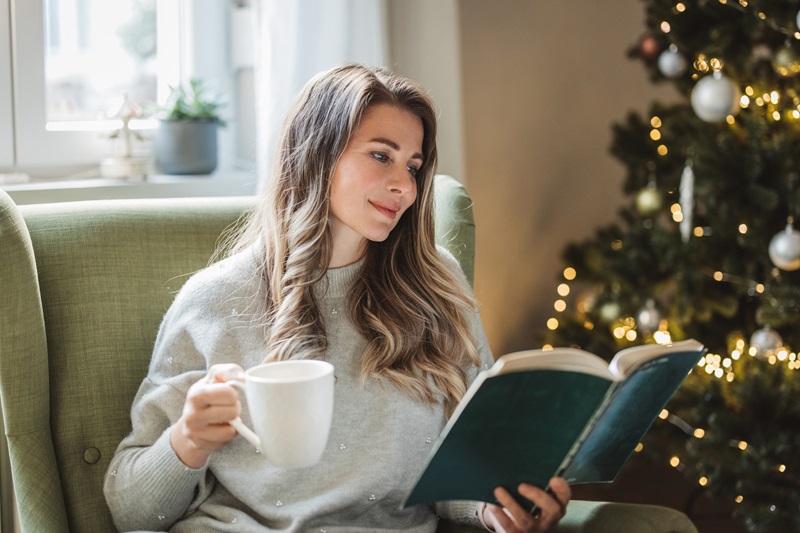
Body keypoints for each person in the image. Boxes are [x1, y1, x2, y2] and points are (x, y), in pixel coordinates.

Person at [104, 63, 571, 533]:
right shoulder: (214, 302)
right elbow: (131, 511)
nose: (405, 187)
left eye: (413, 166)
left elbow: (465, 464)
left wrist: (492, 508)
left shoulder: (436, 286)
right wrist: (187, 440)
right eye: (381, 156)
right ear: (318, 154)